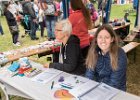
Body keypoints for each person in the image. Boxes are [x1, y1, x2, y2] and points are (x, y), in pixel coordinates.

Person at [85, 24, 127, 91]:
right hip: (97, 89)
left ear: (112, 39)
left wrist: (98, 91)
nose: (103, 40)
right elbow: (89, 75)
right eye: (100, 37)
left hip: (115, 92)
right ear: (96, 39)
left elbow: (114, 84)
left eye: (107, 37)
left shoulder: (120, 54)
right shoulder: (93, 51)